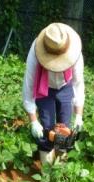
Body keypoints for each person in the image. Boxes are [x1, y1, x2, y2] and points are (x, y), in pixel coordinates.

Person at [22, 22, 85, 165]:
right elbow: (28, 87)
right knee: (46, 129)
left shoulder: (74, 52)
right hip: (44, 87)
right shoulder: (35, 51)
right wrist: (33, 121)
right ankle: (46, 173)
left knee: (65, 129)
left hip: (66, 85)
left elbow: (78, 83)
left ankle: (59, 170)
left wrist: (79, 115)